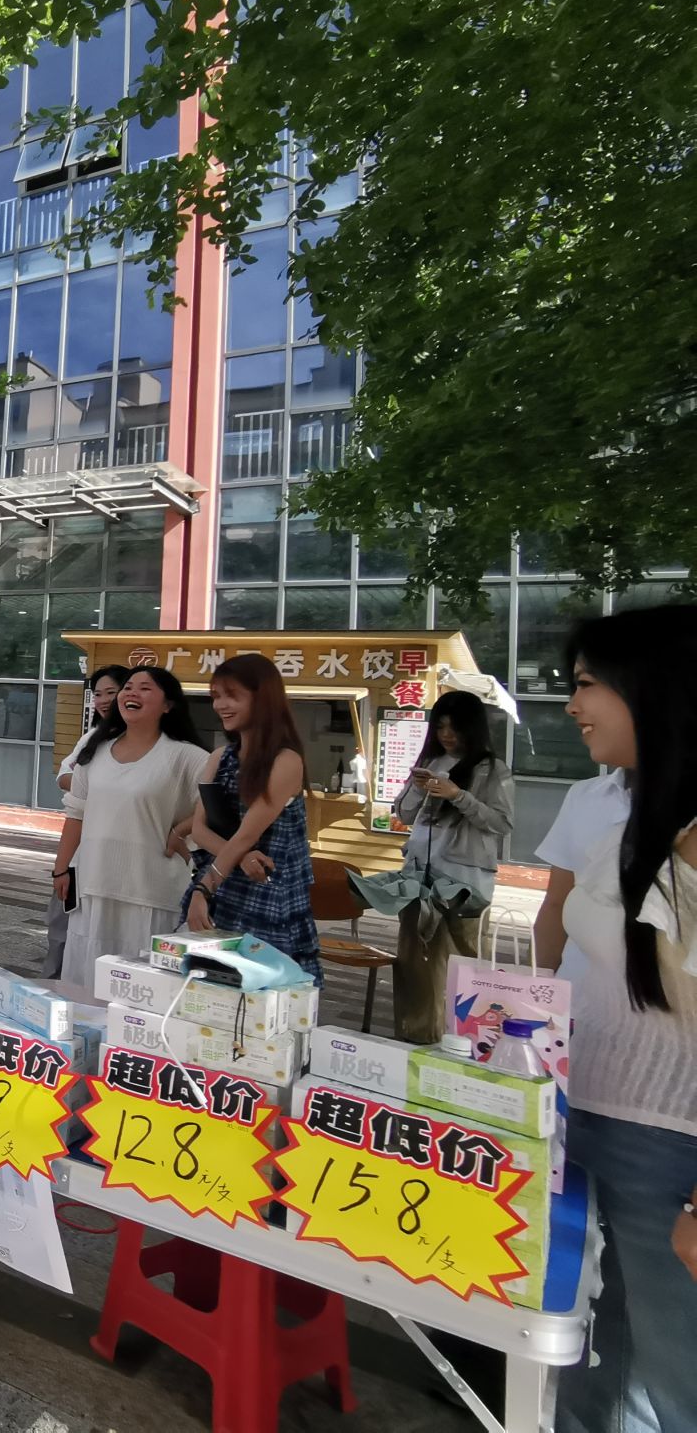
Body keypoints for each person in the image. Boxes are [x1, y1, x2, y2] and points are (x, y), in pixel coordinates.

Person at [551, 605, 697, 1433]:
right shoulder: (635, 817)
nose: (573, 705)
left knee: (673, 1378)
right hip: (590, 1121)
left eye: (586, 684)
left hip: (666, 1153)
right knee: (587, 1354)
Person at [369, 689, 516, 1041]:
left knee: (460, 964)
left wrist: (457, 795)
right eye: (440, 727)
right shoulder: (432, 762)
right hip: (418, 879)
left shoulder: (491, 770)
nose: (447, 735)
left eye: (455, 727)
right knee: (415, 962)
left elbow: (502, 823)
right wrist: (418, 787)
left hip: (464, 885)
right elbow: (404, 815)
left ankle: (462, 1040)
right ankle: (415, 1037)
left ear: (472, 728)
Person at [51, 667, 206, 988]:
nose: (131, 693)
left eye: (145, 688)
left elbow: (223, 806)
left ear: (168, 705)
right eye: (129, 687)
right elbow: (76, 813)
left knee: (142, 985)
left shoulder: (186, 757)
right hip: (94, 884)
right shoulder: (95, 750)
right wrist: (61, 869)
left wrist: (181, 830)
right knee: (87, 983)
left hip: (151, 890)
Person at [183, 653, 322, 983]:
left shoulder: (286, 761)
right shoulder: (219, 757)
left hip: (268, 894)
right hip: (225, 886)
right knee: (210, 987)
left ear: (263, 698)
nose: (221, 705)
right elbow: (199, 829)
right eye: (216, 696)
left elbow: (247, 833)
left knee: (266, 991)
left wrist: (204, 888)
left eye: (232, 695)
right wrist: (240, 858)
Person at [41, 665, 130, 976]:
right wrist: (96, 787)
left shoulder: (151, 745)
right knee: (62, 928)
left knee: (105, 936)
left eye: (111, 692)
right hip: (79, 853)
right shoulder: (94, 737)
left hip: (118, 857)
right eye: (98, 694)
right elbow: (64, 776)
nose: (103, 700)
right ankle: (54, 988)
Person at [533, 768, 630, 982]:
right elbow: (556, 903)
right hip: (575, 993)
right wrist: (538, 986)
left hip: (665, 1000)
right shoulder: (586, 795)